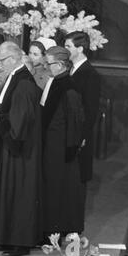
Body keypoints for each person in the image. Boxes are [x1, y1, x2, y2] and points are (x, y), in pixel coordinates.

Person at [0, 41, 43, 256]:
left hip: (20, 150)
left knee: (18, 193)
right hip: (9, 145)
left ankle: (19, 242)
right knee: (6, 191)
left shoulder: (23, 82)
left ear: (12, 59)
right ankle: (4, 237)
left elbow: (21, 120)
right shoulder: (15, 78)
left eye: (0, 61)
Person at [41, 46, 86, 237]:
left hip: (62, 148)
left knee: (62, 188)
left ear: (59, 65)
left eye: (48, 63)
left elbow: (75, 121)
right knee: (53, 187)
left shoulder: (68, 87)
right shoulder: (57, 82)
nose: (45, 67)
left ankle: (60, 229)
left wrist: (70, 148)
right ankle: (53, 228)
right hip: (53, 145)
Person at [65, 31, 101, 184]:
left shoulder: (90, 74)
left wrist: (82, 136)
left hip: (79, 134)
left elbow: (90, 110)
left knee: (77, 178)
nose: (64, 49)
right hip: (67, 130)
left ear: (79, 49)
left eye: (68, 46)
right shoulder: (70, 69)